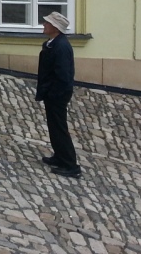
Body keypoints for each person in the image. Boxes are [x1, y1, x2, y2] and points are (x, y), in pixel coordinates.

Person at [36, 12, 82, 178]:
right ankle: (60, 157)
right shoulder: (53, 43)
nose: (44, 24)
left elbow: (63, 75)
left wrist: (52, 93)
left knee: (59, 128)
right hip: (53, 92)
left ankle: (70, 165)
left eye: (47, 23)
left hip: (58, 94)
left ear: (55, 28)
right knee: (54, 127)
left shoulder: (61, 46)